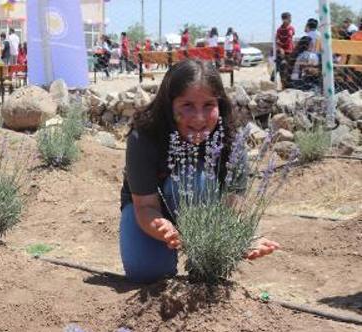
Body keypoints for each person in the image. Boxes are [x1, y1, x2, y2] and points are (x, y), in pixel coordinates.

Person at [118, 60, 279, 282]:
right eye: (187, 105)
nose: (199, 118)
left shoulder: (232, 140)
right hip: (149, 210)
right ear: (169, 104)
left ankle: (200, 262)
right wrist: (161, 226)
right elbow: (145, 206)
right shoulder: (144, 137)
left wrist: (241, 239)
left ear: (219, 105)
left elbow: (234, 207)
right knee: (146, 273)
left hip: (205, 213)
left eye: (208, 105)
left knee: (197, 180)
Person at [275, 12, 295, 86]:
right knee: (281, 68)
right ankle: (282, 84)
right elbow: (277, 40)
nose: (290, 20)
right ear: (284, 19)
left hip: (289, 51)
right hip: (282, 52)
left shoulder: (291, 28)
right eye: (289, 18)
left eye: (290, 18)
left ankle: (287, 85)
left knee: (289, 68)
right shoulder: (279, 30)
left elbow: (289, 39)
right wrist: (280, 49)